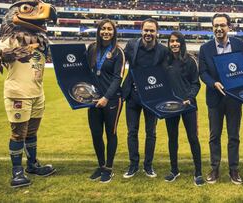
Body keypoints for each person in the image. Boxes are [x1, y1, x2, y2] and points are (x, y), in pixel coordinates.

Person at [0, 0, 57, 188]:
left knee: (32, 133)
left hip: (37, 93)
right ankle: (17, 172)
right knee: (18, 134)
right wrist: (9, 53)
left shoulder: (41, 43)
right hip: (18, 93)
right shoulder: (10, 38)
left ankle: (32, 165)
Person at [199, 13, 243, 184]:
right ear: (212, 27)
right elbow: (203, 72)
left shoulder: (239, 45)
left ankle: (234, 170)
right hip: (214, 97)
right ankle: (215, 168)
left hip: (234, 98)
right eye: (216, 26)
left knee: (234, 135)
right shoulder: (205, 48)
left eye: (222, 25)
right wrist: (214, 84)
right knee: (215, 135)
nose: (219, 28)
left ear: (229, 27)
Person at [122, 18, 169, 178]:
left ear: (157, 32)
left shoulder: (163, 50)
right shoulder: (131, 45)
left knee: (151, 133)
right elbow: (120, 62)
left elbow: (165, 74)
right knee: (132, 132)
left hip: (152, 97)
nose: (148, 33)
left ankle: (148, 166)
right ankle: (133, 165)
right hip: (132, 96)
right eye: (146, 30)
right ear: (141, 30)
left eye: (152, 31)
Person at [86, 19, 125, 183]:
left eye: (109, 29)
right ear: (98, 31)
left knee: (111, 133)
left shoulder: (118, 52)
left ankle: (108, 168)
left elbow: (118, 78)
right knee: (96, 134)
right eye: (103, 29)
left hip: (112, 100)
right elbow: (86, 72)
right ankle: (101, 165)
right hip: (93, 100)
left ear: (114, 32)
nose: (106, 32)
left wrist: (106, 97)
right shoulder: (92, 49)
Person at [164, 31, 204, 186]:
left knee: (193, 138)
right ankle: (174, 170)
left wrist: (189, 97)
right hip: (171, 107)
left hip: (189, 106)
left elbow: (196, 83)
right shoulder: (165, 62)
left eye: (177, 41)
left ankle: (198, 172)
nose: (174, 44)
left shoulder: (190, 61)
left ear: (182, 43)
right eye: (171, 41)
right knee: (172, 138)